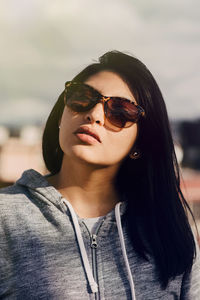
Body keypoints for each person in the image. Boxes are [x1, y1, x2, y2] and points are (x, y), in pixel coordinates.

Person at [0, 50, 200, 300]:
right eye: (82, 97)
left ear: (140, 142)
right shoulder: (6, 218)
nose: (94, 115)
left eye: (120, 111)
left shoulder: (168, 228)